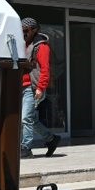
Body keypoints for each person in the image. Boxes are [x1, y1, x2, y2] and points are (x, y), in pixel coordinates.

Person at [20, 18, 60, 158]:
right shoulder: (23, 45)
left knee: (25, 118)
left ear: (34, 30)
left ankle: (26, 148)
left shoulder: (41, 46)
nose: (23, 33)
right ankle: (51, 139)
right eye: (21, 30)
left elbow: (45, 69)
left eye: (25, 30)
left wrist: (40, 88)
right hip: (21, 86)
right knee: (31, 119)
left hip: (33, 87)